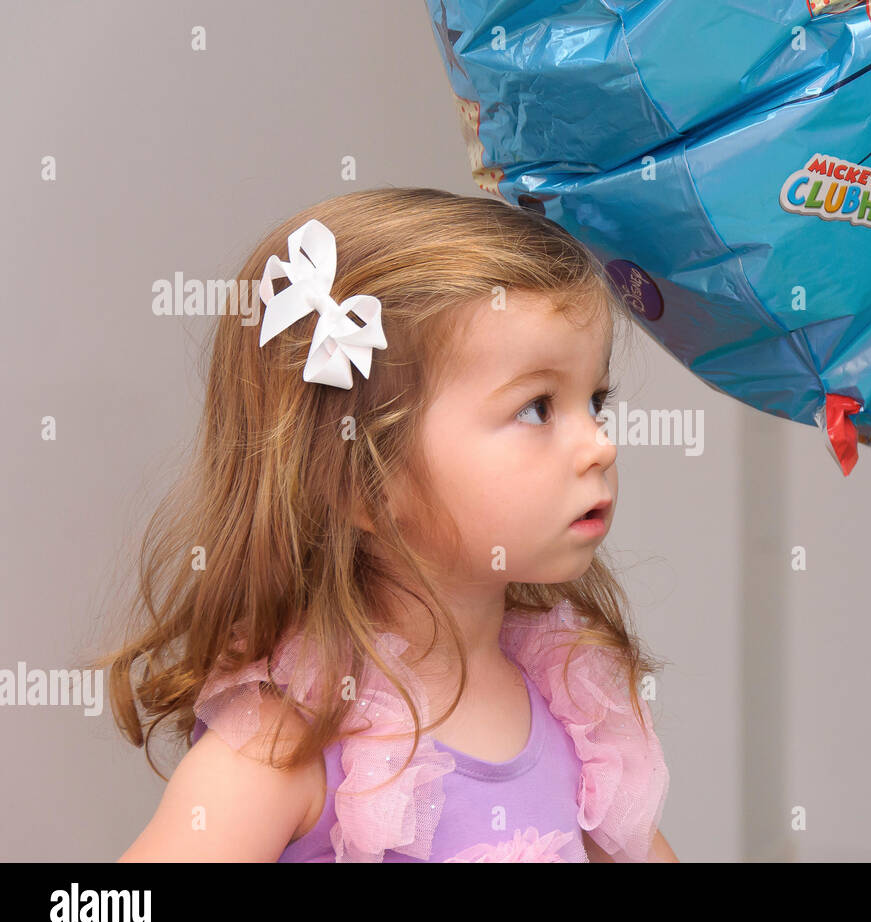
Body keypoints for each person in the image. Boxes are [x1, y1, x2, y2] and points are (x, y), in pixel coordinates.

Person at [100, 187, 675, 862]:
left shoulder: (573, 708)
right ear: (361, 482)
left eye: (595, 400)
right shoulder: (286, 743)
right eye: (536, 408)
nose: (600, 444)